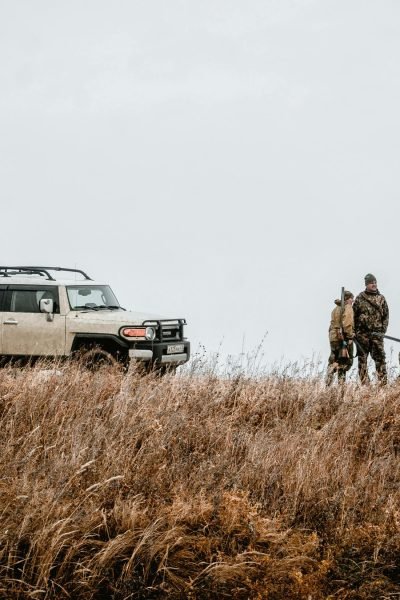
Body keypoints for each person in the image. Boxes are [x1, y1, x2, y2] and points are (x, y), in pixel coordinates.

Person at [353, 273, 389, 385]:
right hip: (362, 335)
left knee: (380, 360)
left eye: (375, 282)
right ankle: (365, 386)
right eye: (371, 283)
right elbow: (353, 315)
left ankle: (382, 385)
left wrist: (382, 331)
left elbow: (386, 316)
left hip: (377, 335)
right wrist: (355, 332)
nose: (373, 284)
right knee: (362, 360)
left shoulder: (381, 298)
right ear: (366, 284)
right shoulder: (360, 298)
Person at [326, 290, 354, 385]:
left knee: (334, 358)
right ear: (347, 299)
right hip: (343, 338)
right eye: (351, 299)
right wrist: (350, 337)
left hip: (333, 337)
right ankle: (341, 388)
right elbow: (347, 323)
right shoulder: (348, 307)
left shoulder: (336, 309)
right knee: (344, 362)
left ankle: (328, 383)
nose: (352, 301)